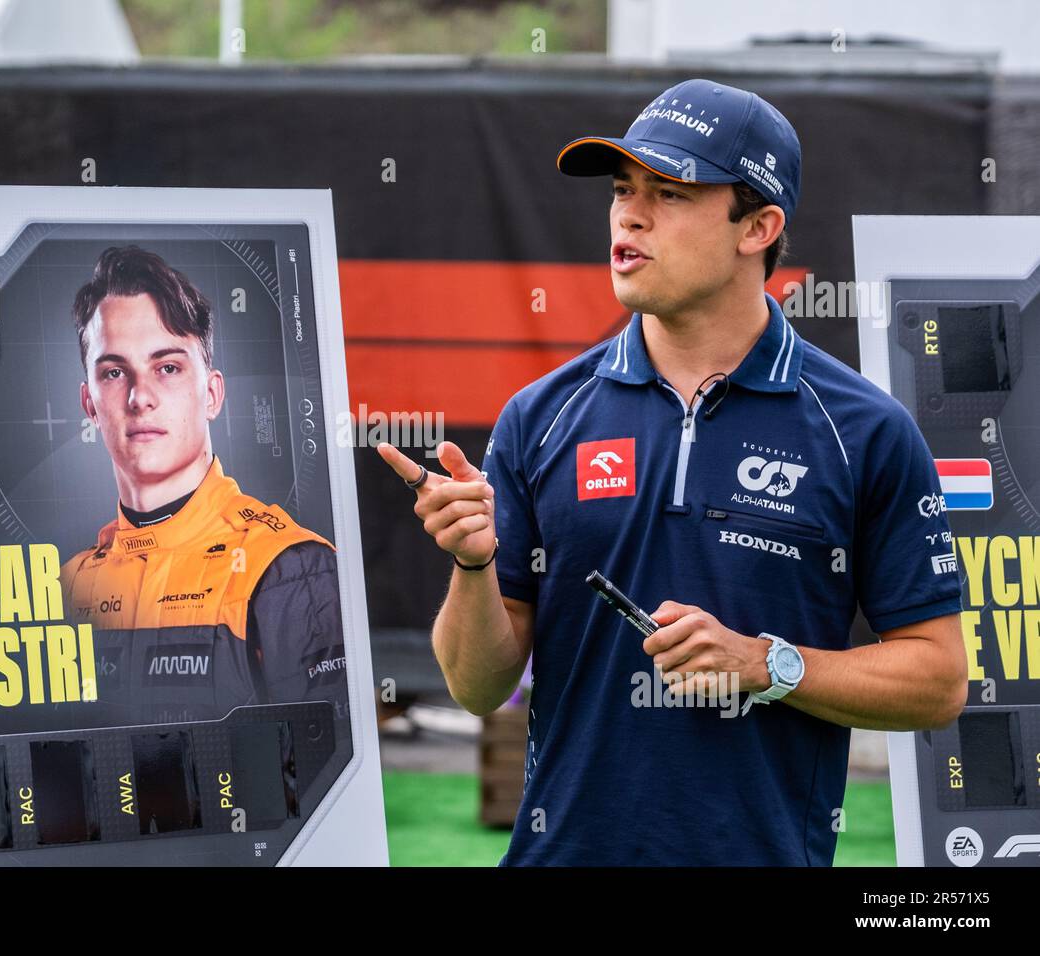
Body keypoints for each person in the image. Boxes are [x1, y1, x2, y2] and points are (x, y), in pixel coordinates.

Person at [378, 78, 967, 866]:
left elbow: (939, 681)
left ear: (758, 226)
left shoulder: (864, 429)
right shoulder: (540, 415)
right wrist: (472, 562)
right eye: (623, 189)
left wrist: (767, 664)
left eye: (670, 192)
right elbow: (477, 687)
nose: (630, 213)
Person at [61, 245, 347, 726]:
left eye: (167, 367)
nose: (140, 397)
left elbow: (330, 783)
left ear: (211, 393)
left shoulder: (287, 567)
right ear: (90, 405)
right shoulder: (67, 586)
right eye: (114, 372)